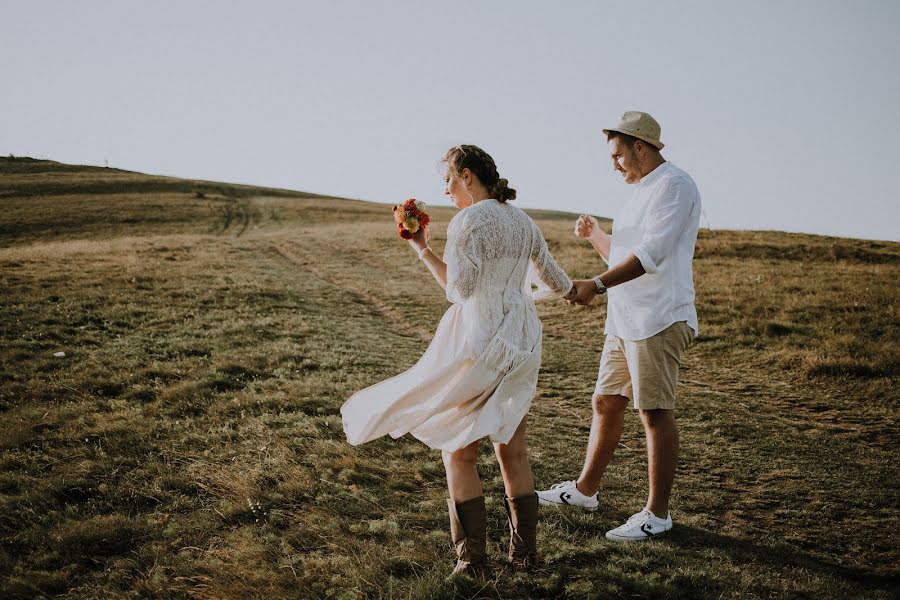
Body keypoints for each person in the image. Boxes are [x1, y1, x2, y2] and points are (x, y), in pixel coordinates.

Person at [341, 145, 594, 576]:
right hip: (524, 341)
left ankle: (473, 561)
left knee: (458, 454)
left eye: (449, 179)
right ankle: (525, 558)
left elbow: (459, 290)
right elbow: (553, 276)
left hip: (480, 342)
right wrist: (576, 292)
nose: (445, 189)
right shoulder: (523, 220)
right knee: (513, 450)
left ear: (468, 176)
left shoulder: (469, 221)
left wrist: (422, 248)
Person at [538, 111, 702, 541]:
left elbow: (652, 256)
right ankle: (585, 491)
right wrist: (596, 236)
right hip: (624, 322)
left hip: (660, 318)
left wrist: (594, 284)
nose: (613, 164)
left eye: (617, 155)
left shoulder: (676, 186)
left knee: (653, 412)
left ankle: (657, 515)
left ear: (640, 148)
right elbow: (625, 254)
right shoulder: (637, 191)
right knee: (606, 402)